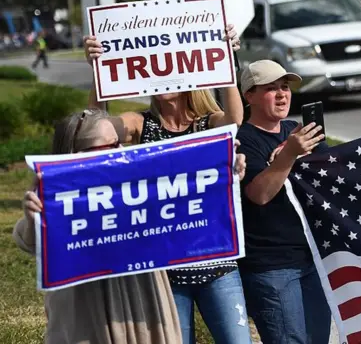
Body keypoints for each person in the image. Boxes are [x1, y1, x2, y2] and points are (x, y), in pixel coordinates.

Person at [13, 108, 247, 344]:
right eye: (107, 147)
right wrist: (34, 216)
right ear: (75, 153)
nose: (119, 152)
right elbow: (29, 241)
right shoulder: (58, 194)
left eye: (117, 143)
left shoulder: (140, 183)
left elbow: (185, 200)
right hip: (88, 313)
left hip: (142, 300)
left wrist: (224, 172)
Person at [83, 24, 253, 344]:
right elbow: (98, 129)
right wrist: (98, 72)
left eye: (172, 66)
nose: (165, 77)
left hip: (217, 263)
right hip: (166, 272)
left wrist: (228, 59)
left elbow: (234, 120)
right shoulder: (140, 124)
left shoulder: (208, 122)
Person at [235, 59, 332, 344]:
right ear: (249, 95)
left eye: (285, 87)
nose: (282, 95)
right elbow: (259, 194)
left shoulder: (297, 130)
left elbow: (330, 180)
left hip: (311, 259)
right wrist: (289, 154)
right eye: (270, 88)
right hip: (271, 266)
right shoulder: (242, 139)